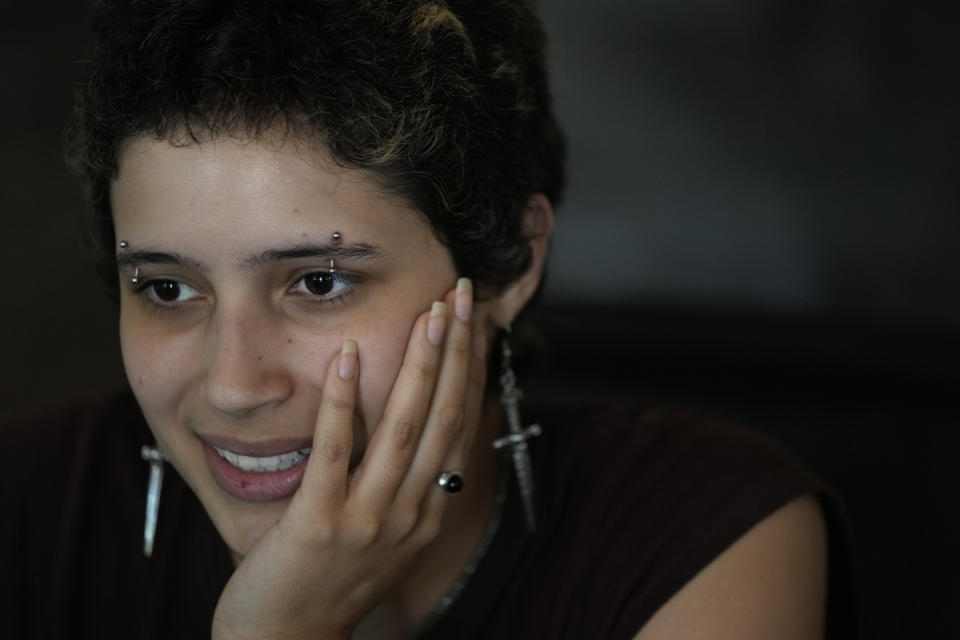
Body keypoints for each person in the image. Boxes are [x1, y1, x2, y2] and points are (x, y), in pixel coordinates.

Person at [1, 1, 855, 638]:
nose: (232, 386)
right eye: (167, 289)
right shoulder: (28, 506)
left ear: (507, 266)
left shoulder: (705, 531)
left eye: (322, 280)